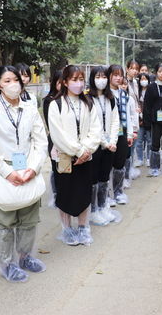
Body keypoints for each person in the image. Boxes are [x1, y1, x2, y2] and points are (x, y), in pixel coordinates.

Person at [0, 65, 48, 282]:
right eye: (6, 81)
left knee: (29, 217)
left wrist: (34, 168)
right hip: (2, 168)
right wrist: (8, 173)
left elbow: (40, 140)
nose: (12, 84)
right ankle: (6, 263)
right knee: (4, 220)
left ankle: (25, 256)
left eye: (15, 79)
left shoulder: (29, 107)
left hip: (28, 166)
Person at [47, 65, 101, 246]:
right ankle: (67, 229)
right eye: (74, 80)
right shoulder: (56, 104)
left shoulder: (89, 103)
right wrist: (78, 151)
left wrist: (86, 151)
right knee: (65, 194)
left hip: (86, 158)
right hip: (64, 158)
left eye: (81, 80)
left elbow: (96, 130)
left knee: (85, 193)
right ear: (64, 82)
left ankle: (83, 228)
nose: (78, 84)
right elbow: (57, 134)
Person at [87, 66, 120, 226]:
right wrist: (105, 143)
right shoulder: (87, 99)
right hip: (95, 145)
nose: (102, 79)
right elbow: (92, 125)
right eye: (98, 76)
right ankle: (93, 211)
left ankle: (102, 206)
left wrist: (113, 141)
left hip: (110, 145)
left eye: (104, 76)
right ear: (92, 79)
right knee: (93, 178)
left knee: (104, 177)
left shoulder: (110, 97)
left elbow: (115, 120)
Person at [106, 65, 133, 204]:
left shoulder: (124, 94)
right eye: (115, 75)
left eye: (120, 75)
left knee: (119, 164)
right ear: (109, 76)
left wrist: (129, 134)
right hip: (108, 135)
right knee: (107, 165)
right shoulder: (105, 94)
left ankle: (117, 192)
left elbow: (127, 115)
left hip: (122, 134)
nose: (118, 78)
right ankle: (107, 195)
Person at [42, 70, 63, 208]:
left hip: (66, 140)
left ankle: (62, 193)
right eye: (60, 82)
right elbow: (51, 124)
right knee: (57, 167)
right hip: (55, 140)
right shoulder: (50, 100)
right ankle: (56, 195)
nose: (62, 85)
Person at [134, 73, 152, 167]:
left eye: (145, 79)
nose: (143, 81)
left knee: (150, 141)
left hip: (149, 120)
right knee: (139, 141)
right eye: (142, 79)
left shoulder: (151, 91)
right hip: (139, 120)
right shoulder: (137, 91)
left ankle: (148, 158)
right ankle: (140, 159)